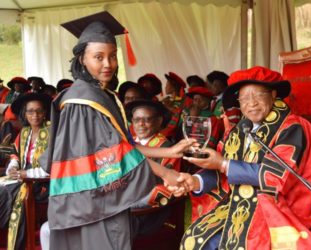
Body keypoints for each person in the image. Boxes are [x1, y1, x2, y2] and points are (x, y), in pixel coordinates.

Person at [40, 11, 192, 250]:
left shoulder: (101, 94)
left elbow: (121, 144)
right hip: (92, 201)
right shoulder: (81, 101)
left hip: (101, 197)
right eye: (98, 57)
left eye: (112, 56)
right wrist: (166, 174)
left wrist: (170, 151)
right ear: (82, 59)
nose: (108, 64)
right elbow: (112, 153)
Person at [170, 66, 311, 249]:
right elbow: (220, 169)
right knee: (193, 241)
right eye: (245, 98)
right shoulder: (239, 130)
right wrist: (196, 180)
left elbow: (275, 177)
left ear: (273, 95)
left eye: (258, 95)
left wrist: (223, 163)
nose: (252, 103)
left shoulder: (292, 128)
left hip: (275, 209)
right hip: (237, 206)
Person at [0, 92, 51, 250]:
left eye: (39, 111)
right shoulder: (24, 132)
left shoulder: (53, 131)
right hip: (21, 176)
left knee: (8, 193)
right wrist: (14, 166)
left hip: (43, 183)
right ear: (24, 113)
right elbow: (15, 153)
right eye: (30, 111)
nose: (35, 115)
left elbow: (53, 167)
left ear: (45, 112)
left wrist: (26, 174)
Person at [125, 99, 181, 237]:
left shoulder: (167, 148)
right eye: (136, 120)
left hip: (150, 210)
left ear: (159, 121)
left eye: (146, 120)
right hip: (127, 203)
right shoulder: (128, 144)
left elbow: (165, 188)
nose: (140, 125)